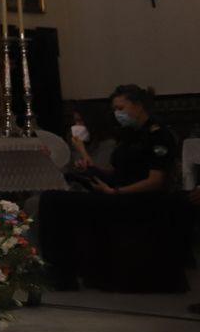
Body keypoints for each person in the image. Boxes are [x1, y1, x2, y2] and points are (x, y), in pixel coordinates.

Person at [39, 84, 187, 292]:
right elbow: (120, 172)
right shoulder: (130, 135)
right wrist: (94, 170)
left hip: (137, 199)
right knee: (51, 199)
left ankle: (63, 272)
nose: (118, 114)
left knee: (56, 202)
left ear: (138, 106)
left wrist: (115, 192)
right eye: (115, 110)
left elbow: (156, 180)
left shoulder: (158, 135)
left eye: (121, 108)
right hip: (117, 191)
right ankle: (60, 270)